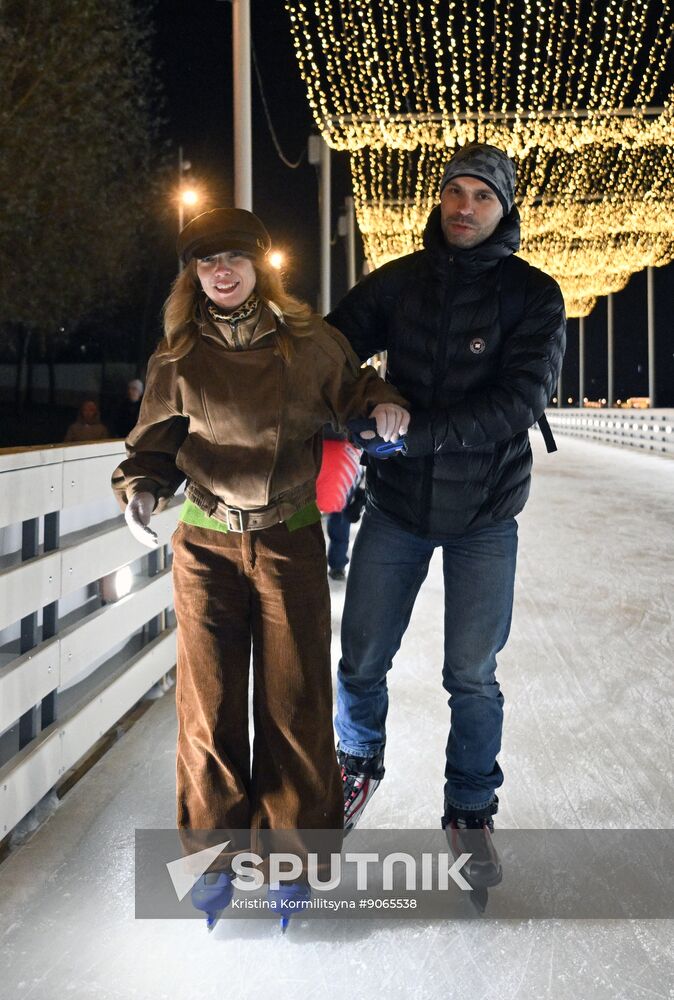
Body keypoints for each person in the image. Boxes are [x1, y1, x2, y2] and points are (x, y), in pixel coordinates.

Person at [111, 208, 408, 919]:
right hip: (207, 547)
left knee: (296, 704)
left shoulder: (308, 347)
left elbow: (360, 391)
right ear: (194, 275)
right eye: (208, 260)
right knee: (208, 712)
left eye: (234, 259)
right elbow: (151, 445)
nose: (222, 271)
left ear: (259, 267)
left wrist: (388, 404)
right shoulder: (177, 358)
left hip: (289, 541)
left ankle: (295, 863)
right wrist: (143, 487)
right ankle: (213, 863)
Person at [327, 143, 566, 887]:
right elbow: (327, 348)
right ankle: (355, 764)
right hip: (396, 510)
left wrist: (412, 432)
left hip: (485, 514)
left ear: (505, 207)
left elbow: (518, 404)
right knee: (362, 655)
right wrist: (361, 403)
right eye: (454, 192)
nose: (464, 207)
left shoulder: (533, 296)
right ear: (441, 199)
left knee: (471, 673)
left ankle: (469, 810)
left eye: (482, 197)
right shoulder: (400, 283)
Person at [315, 426, 363, 580]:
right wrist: (360, 499)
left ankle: (301, 559)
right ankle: (337, 566)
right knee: (341, 522)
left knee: (302, 521)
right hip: (344, 461)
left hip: (315, 455)